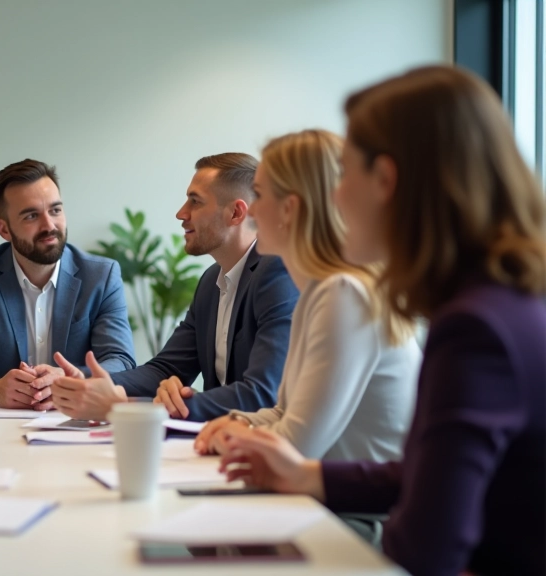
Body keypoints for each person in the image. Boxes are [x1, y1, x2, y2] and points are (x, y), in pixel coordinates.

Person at [216, 66, 545, 576]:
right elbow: (425, 476)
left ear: (386, 181)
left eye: (346, 172)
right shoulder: (506, 303)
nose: (338, 195)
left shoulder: (474, 328)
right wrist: (311, 478)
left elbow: (426, 551)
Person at [193, 129, 421, 463]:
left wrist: (237, 434)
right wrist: (236, 421)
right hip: (327, 499)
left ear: (289, 209)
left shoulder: (344, 295)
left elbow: (297, 447)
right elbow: (284, 413)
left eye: (259, 195)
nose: (251, 213)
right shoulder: (320, 290)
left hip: (353, 513)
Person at [52, 154, 298, 422]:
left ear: (236, 213)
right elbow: (166, 369)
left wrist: (134, 407)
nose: (181, 213)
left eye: (195, 201)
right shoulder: (210, 282)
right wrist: (85, 380)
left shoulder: (277, 273)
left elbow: (260, 396)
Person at [0, 158, 136, 408]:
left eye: (55, 210)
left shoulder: (101, 276)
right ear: (4, 229)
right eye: (31, 216)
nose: (49, 226)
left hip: (75, 423)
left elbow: (120, 361)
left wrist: (70, 378)